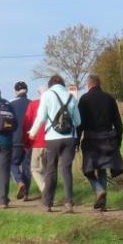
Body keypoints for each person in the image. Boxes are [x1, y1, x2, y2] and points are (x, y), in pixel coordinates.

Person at [32, 75, 82, 213]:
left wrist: (33, 132)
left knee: (51, 169)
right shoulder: (71, 96)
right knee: (66, 169)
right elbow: (78, 121)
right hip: (70, 137)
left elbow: (41, 117)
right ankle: (69, 203)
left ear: (50, 84)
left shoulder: (47, 95)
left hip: (52, 138)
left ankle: (47, 203)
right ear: (63, 84)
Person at [77, 75, 123, 212]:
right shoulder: (109, 99)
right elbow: (118, 123)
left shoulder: (84, 99)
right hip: (107, 139)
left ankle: (99, 190)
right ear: (99, 84)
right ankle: (102, 202)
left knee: (87, 170)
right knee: (102, 169)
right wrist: (118, 141)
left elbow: (80, 124)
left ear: (89, 85)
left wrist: (76, 141)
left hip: (91, 139)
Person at [8, 81, 32, 201]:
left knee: (12, 163)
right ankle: (26, 193)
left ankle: (19, 181)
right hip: (30, 140)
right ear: (27, 91)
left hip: (15, 139)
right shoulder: (32, 103)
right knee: (27, 166)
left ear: (15, 91)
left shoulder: (11, 104)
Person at [23, 86, 46, 200]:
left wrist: (26, 143)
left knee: (34, 168)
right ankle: (47, 193)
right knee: (46, 169)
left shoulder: (33, 104)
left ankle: (46, 190)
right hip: (52, 141)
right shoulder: (54, 103)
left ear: (39, 93)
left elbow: (27, 124)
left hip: (37, 141)